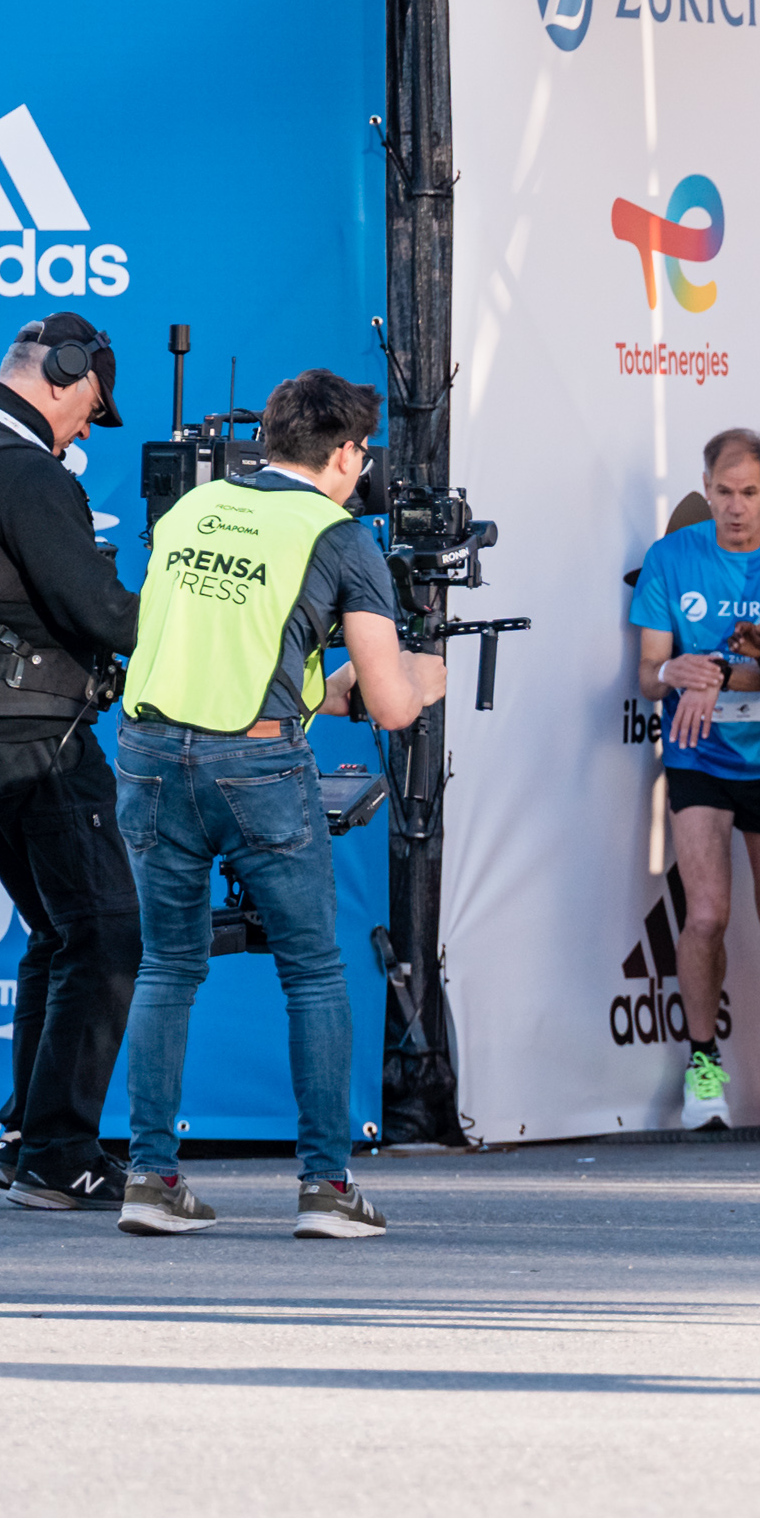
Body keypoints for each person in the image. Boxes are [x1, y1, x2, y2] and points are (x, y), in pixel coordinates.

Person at [110, 369, 444, 1241]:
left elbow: (225, 647)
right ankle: (326, 1188)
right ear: (342, 455)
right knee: (313, 969)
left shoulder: (193, 508)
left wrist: (327, 686)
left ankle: (149, 1175)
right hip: (255, 763)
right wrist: (422, 676)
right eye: (360, 454)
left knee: (167, 966)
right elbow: (394, 703)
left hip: (149, 754)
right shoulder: (336, 535)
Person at [0, 314, 146, 1208]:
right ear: (60, 372)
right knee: (105, 929)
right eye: (91, 405)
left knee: (61, 930)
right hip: (35, 736)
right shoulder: (22, 470)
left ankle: (26, 1137)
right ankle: (58, 1148)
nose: (88, 427)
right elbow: (98, 610)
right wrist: (191, 621)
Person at [631, 430, 760, 1131]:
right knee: (708, 914)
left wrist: (709, 671)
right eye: (723, 491)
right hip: (699, 757)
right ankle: (702, 1065)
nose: (735, 507)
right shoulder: (670, 557)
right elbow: (646, 671)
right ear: (706, 486)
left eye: (749, 492)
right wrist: (672, 673)